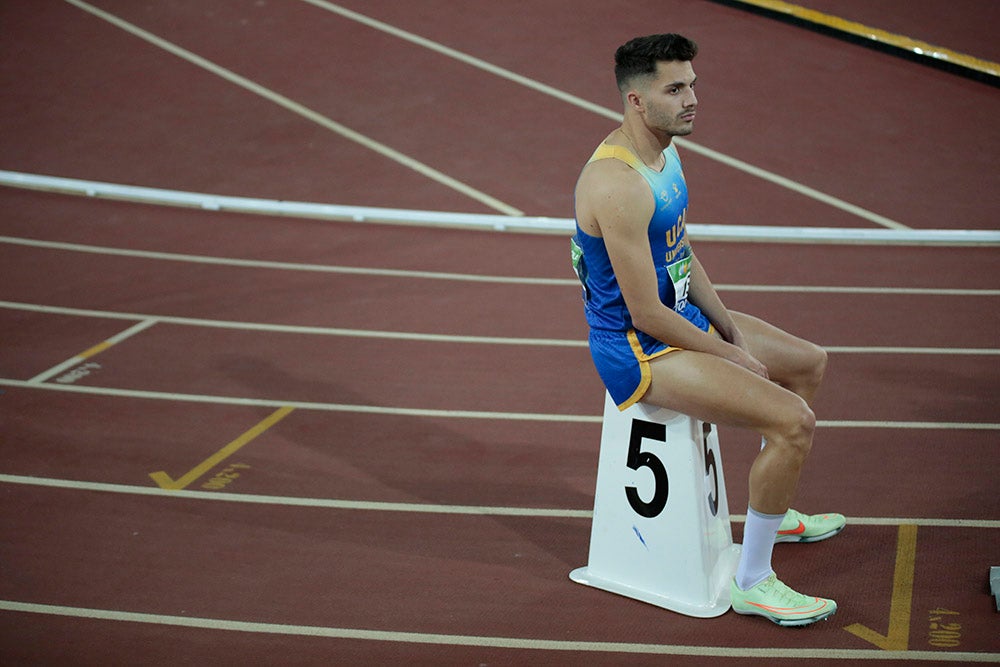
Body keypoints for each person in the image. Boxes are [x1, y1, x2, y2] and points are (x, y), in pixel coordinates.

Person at [571, 33, 845, 627]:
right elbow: (645, 313)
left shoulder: (666, 153)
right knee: (793, 423)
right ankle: (754, 581)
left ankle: (778, 508)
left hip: (682, 320)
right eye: (675, 89)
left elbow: (680, 252)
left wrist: (731, 332)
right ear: (637, 101)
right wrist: (729, 355)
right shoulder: (614, 184)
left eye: (693, 83)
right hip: (639, 351)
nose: (692, 98)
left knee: (808, 363)